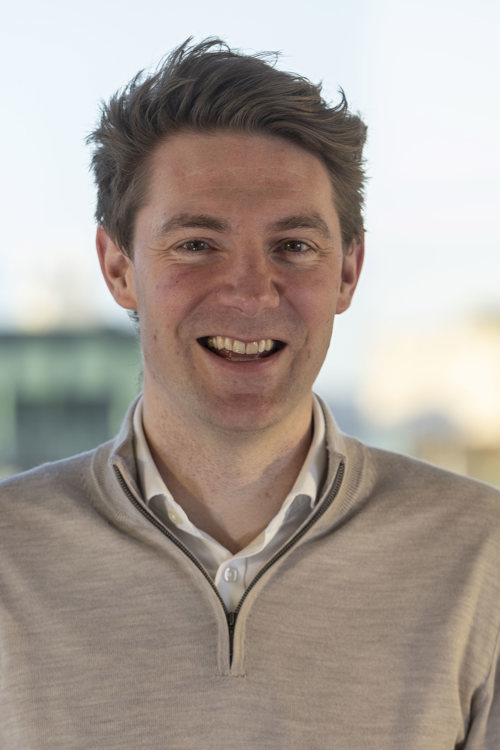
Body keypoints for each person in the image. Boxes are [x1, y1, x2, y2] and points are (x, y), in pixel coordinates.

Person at [1, 38, 499, 749]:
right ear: (118, 268)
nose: (250, 293)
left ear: (348, 272)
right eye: (197, 245)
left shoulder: (481, 555)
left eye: (293, 246)